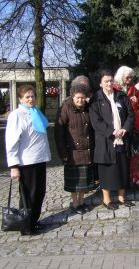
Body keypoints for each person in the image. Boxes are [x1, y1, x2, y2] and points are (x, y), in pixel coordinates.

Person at [5, 84, 51, 235]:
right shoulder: (16, 115)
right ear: (20, 99)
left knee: (39, 192)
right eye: (27, 97)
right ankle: (25, 225)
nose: (31, 99)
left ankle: (34, 221)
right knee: (28, 195)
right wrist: (13, 166)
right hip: (26, 162)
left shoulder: (35, 112)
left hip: (39, 158)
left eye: (32, 96)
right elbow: (11, 141)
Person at [89, 70, 135, 210]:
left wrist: (124, 129)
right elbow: (96, 121)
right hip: (106, 140)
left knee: (122, 167)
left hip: (122, 138)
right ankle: (107, 200)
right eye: (106, 81)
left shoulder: (122, 96)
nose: (109, 83)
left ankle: (122, 198)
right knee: (107, 171)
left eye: (111, 81)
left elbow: (131, 115)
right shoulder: (96, 99)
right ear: (100, 83)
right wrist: (112, 132)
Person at [55, 84, 96, 214]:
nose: (80, 100)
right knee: (75, 181)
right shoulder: (65, 109)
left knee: (84, 180)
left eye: (83, 98)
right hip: (72, 152)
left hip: (87, 150)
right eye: (78, 98)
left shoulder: (88, 109)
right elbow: (58, 133)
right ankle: (75, 203)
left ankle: (82, 201)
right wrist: (63, 153)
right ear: (72, 97)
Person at [114, 66, 139, 147]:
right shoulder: (114, 88)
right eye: (127, 77)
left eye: (131, 77)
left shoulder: (133, 88)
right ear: (121, 76)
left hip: (132, 119)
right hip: (120, 119)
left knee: (132, 144)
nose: (130, 79)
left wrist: (137, 100)